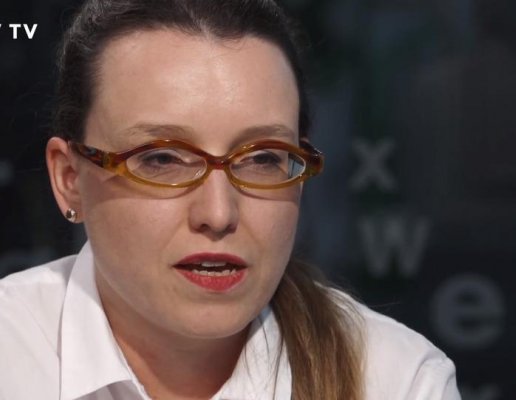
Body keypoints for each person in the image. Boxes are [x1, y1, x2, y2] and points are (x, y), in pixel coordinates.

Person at [0, 1, 461, 399]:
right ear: (69, 179)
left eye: (262, 159)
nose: (218, 214)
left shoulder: (395, 380)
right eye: (161, 159)